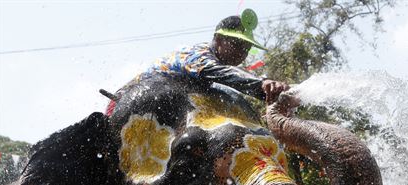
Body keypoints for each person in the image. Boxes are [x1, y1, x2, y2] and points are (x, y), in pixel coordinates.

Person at [109, 9, 289, 114]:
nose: (242, 53)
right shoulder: (198, 56)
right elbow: (224, 74)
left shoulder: (216, 65)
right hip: (126, 103)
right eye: (237, 45)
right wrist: (263, 85)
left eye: (247, 49)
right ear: (218, 39)